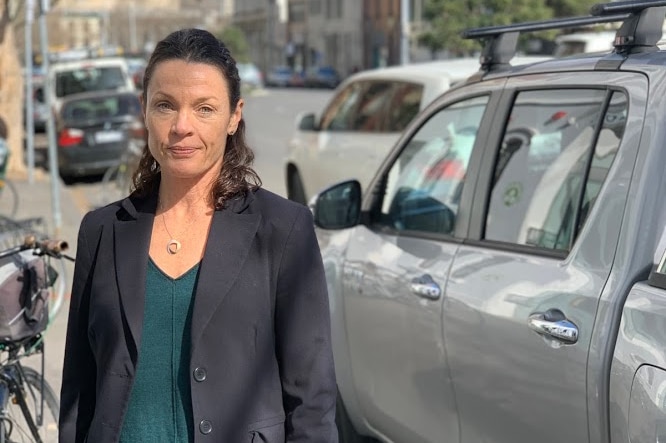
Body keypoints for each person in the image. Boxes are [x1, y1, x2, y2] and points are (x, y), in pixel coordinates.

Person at [59, 28, 338, 443]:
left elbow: (311, 402)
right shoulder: (101, 232)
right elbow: (79, 395)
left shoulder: (283, 229)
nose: (181, 126)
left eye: (204, 108)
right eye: (165, 106)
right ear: (144, 111)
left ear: (234, 116)